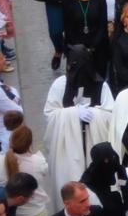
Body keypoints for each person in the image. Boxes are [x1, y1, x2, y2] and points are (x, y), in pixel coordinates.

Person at [43, 44, 115, 189]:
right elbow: (50, 114)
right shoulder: (60, 85)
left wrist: (94, 114)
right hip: (69, 146)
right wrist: (73, 113)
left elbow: (110, 114)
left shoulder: (101, 86)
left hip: (94, 143)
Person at [62, 0, 109, 78]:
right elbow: (68, 28)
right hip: (76, 48)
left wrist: (93, 46)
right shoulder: (69, 2)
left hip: (98, 48)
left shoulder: (99, 1)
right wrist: (81, 48)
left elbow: (102, 26)